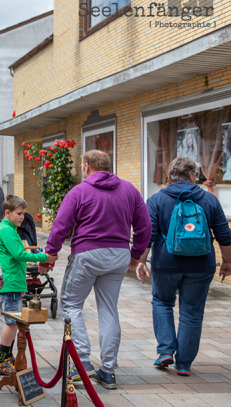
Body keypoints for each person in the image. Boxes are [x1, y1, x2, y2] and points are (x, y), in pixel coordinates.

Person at [45, 150, 151, 389]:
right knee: (108, 309)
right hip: (118, 256)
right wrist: (135, 255)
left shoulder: (79, 191)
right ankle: (109, 371)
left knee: (71, 304)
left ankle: (82, 363)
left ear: (86, 167)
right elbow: (145, 225)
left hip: (87, 254)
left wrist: (51, 253)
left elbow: (61, 225)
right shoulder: (130, 190)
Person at [136, 157, 231, 376]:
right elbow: (224, 235)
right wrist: (227, 261)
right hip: (201, 265)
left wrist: (140, 260)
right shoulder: (209, 200)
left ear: (170, 177)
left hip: (165, 264)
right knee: (192, 312)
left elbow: (146, 235)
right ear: (191, 175)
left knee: (161, 302)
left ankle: (166, 351)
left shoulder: (156, 200)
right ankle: (184, 364)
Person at [0, 195, 57, 376]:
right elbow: (19, 254)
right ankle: (2, 360)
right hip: (10, 282)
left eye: (24, 214)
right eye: (19, 214)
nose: (22, 217)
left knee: (13, 322)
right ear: (7, 213)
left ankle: (6, 358)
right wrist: (44, 257)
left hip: (14, 282)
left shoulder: (9, 228)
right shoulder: (6, 230)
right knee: (11, 323)